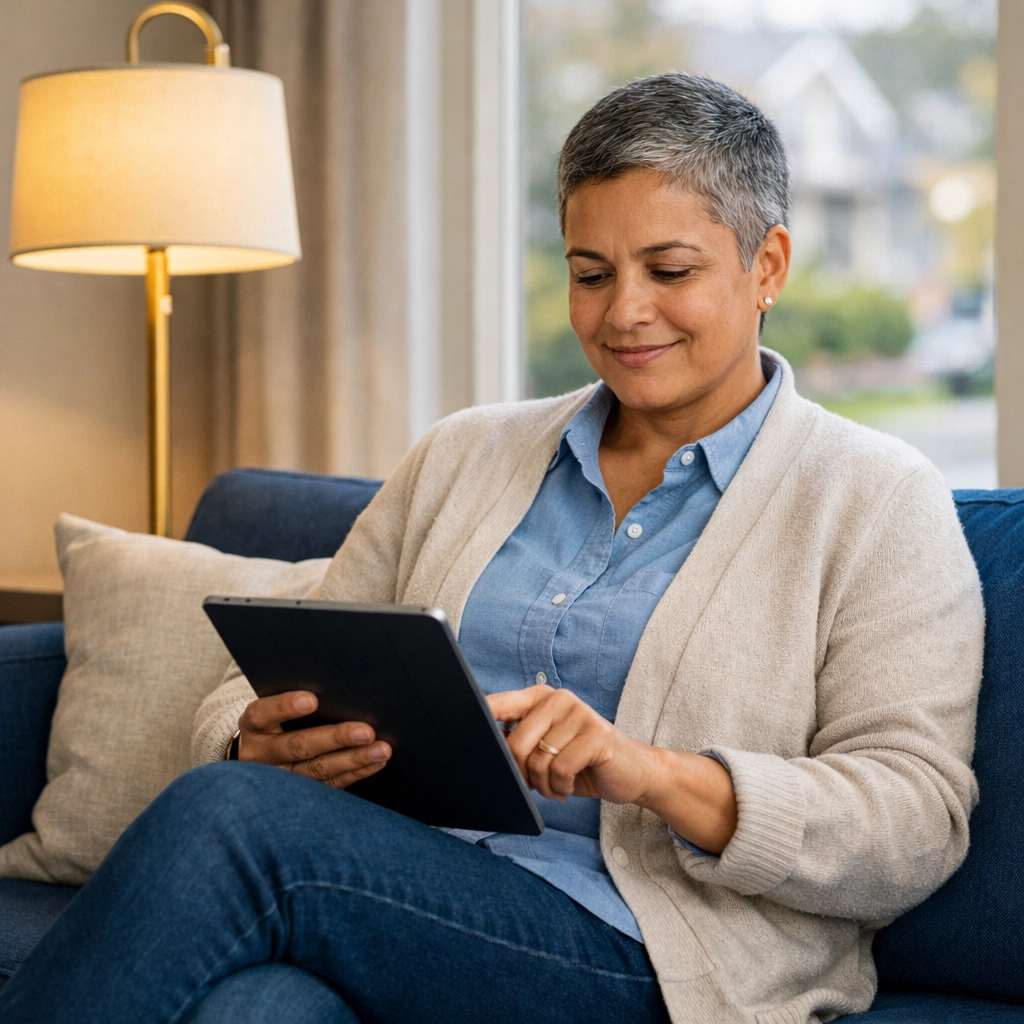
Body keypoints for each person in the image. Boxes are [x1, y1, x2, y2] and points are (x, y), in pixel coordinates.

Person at [0, 73, 983, 1024]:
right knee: (254, 1008)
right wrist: (255, 737)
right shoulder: (465, 451)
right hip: (396, 899)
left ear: (766, 264)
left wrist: (652, 772)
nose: (621, 312)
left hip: (652, 953)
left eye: (669, 271)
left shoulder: (874, 498)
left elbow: (916, 820)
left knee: (233, 819)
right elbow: (268, 668)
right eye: (589, 273)